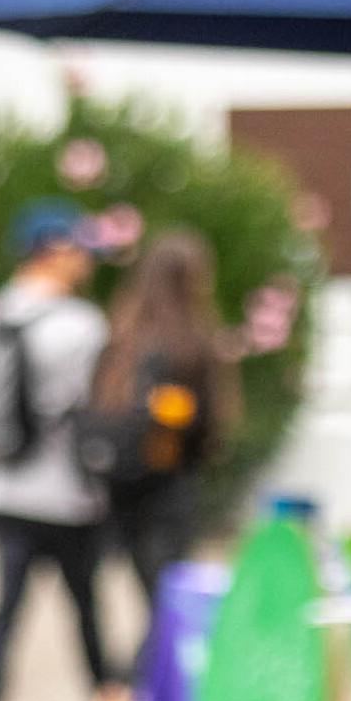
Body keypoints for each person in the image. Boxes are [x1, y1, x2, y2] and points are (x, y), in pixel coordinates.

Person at [0, 199, 120, 701]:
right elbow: (97, 405)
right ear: (54, 251)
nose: (89, 261)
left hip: (3, 487)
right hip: (69, 492)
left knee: (6, 606)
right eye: (82, 249)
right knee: (86, 608)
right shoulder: (83, 324)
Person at [86, 228, 241, 643]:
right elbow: (209, 427)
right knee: (167, 606)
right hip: (169, 489)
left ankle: (132, 692)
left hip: (122, 489)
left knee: (152, 598)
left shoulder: (122, 339)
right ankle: (140, 696)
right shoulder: (190, 344)